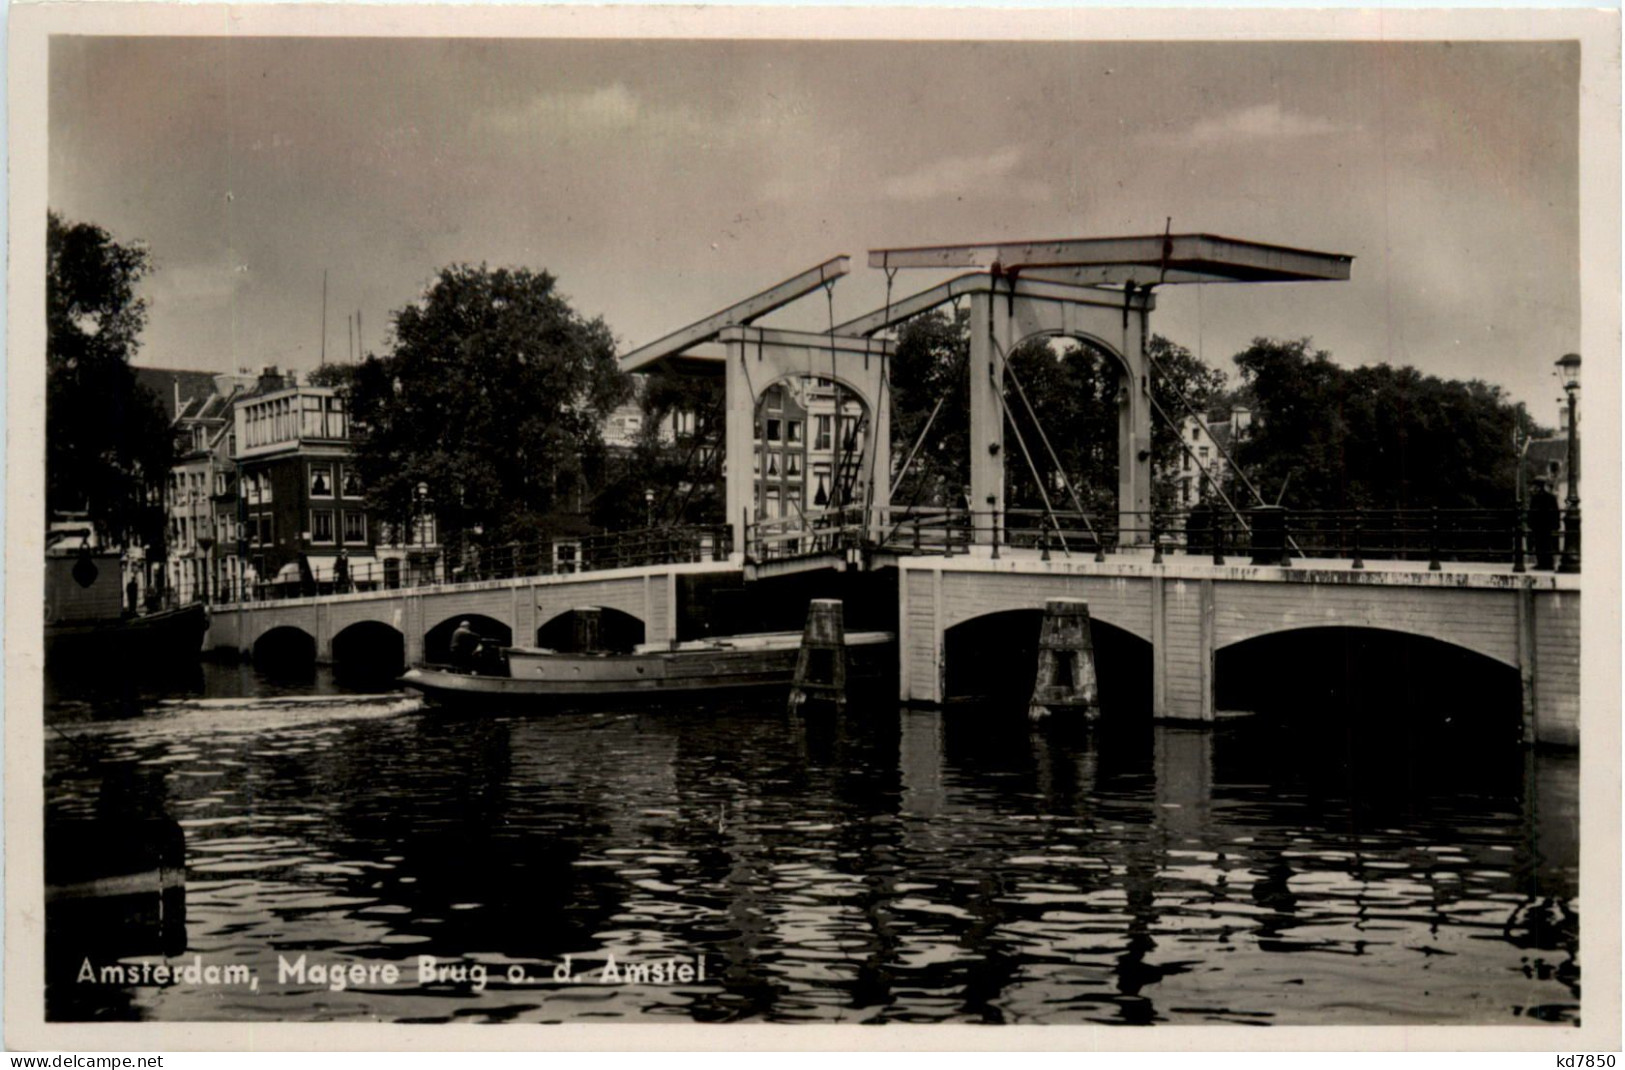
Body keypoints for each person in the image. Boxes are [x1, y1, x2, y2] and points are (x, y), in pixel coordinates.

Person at [1529, 477, 1560, 570]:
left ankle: (1544, 563)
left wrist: (1531, 522)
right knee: (1544, 544)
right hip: (1546, 525)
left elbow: (1532, 511)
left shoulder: (1536, 498)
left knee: (1541, 544)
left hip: (1542, 525)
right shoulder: (1550, 497)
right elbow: (1555, 511)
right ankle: (1546, 563)